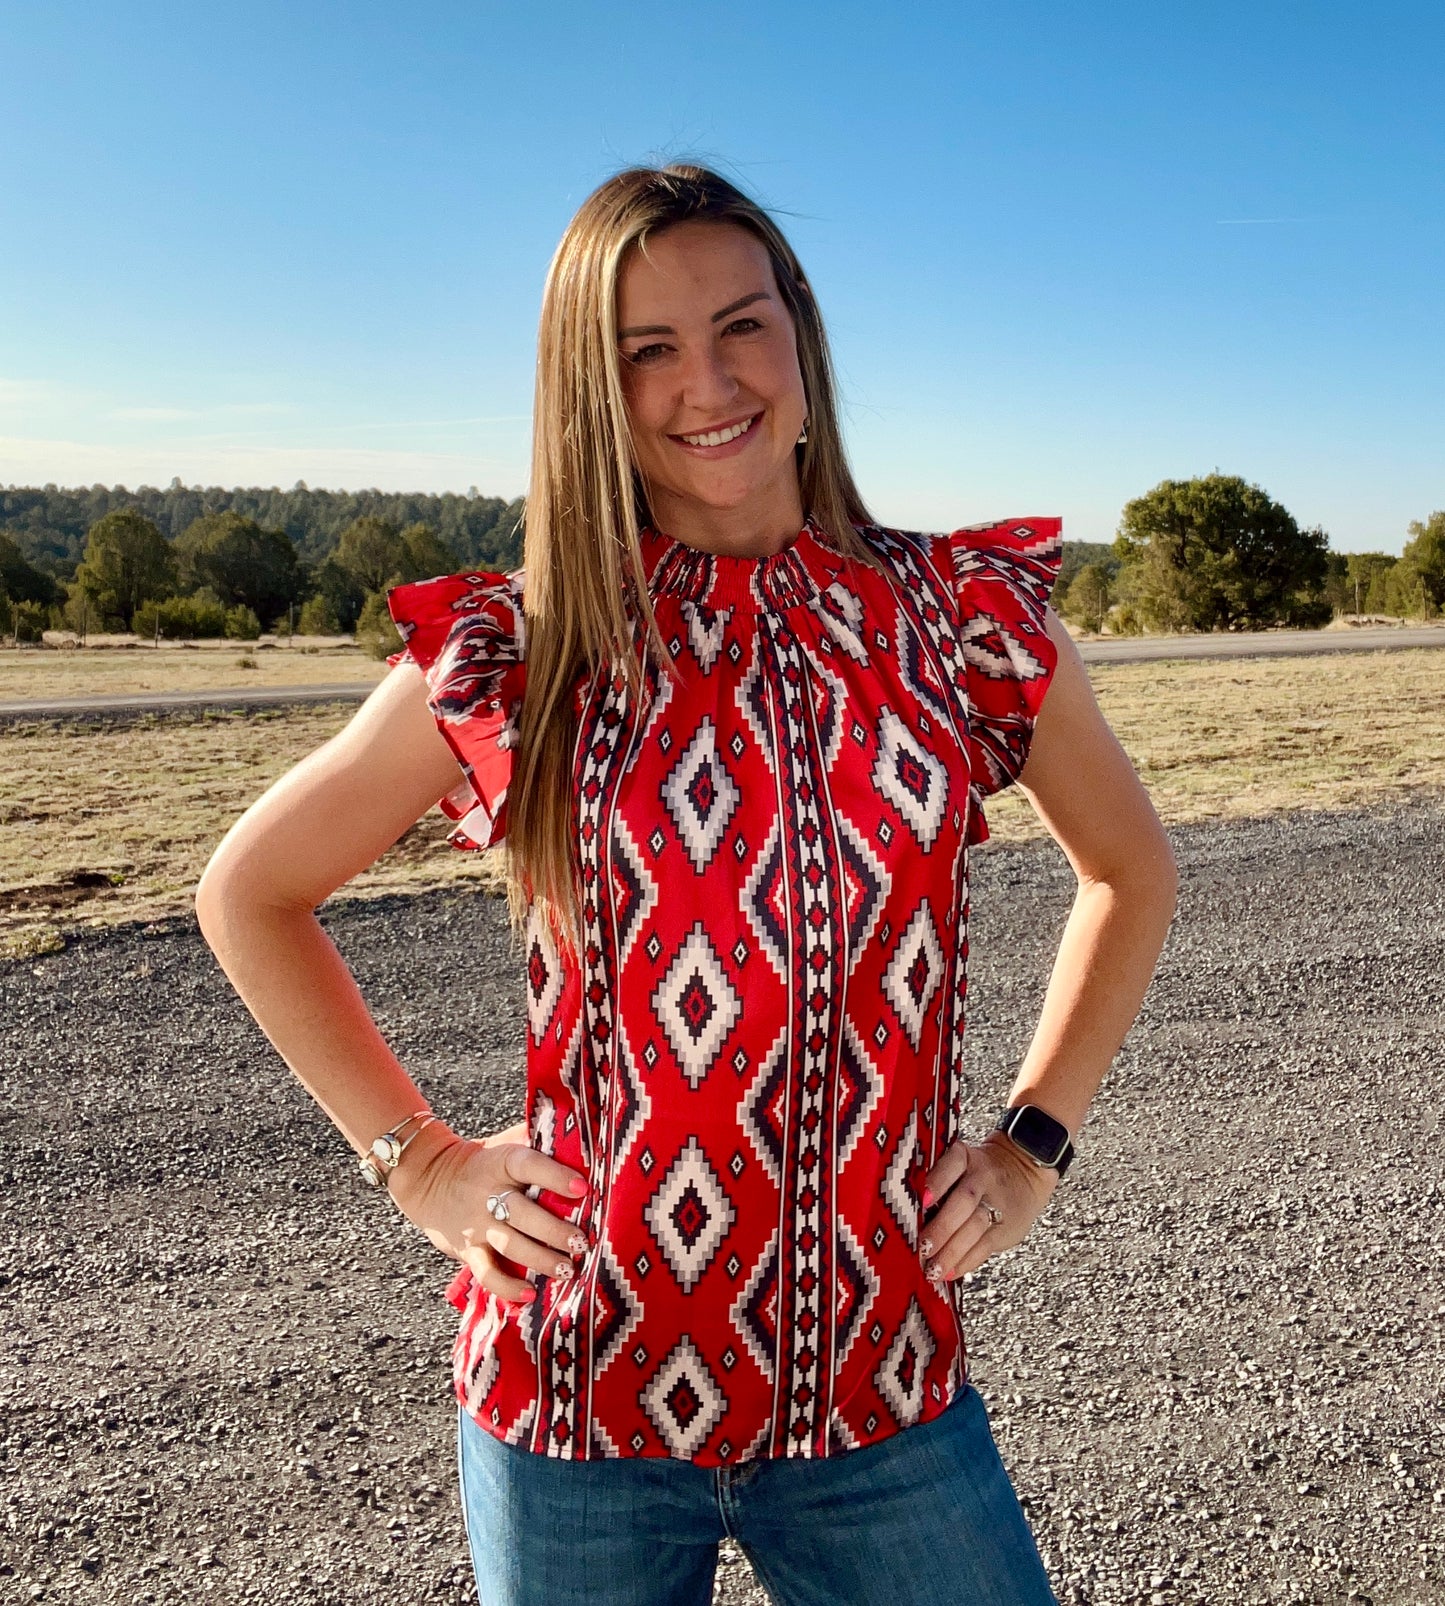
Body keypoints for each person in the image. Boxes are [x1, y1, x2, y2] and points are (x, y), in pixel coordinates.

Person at [196, 163, 1178, 1606]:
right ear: (587, 387)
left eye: (740, 325)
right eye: (643, 350)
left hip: (877, 1382)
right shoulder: (525, 646)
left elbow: (1131, 867)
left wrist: (1032, 1141)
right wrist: (419, 1162)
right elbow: (249, 890)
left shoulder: (952, 621)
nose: (704, 383)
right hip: (573, 1395)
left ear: (803, 335)